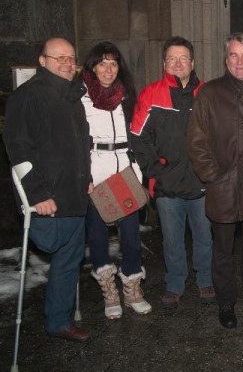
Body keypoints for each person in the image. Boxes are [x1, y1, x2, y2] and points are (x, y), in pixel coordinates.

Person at [187, 32, 243, 329]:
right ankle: (225, 301)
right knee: (223, 248)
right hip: (222, 186)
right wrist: (213, 176)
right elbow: (196, 140)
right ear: (226, 58)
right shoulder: (210, 93)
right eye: (233, 55)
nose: (239, 61)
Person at [3, 38, 91, 341]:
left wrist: (86, 177)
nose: (67, 63)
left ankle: (58, 321)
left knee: (70, 259)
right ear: (42, 61)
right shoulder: (27, 97)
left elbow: (80, 146)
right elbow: (18, 150)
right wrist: (37, 194)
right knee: (59, 252)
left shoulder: (72, 97)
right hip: (48, 198)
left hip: (74, 193)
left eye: (71, 58)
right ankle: (57, 319)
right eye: (59, 58)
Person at [130, 36, 213, 308]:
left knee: (204, 237)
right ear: (165, 63)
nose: (178, 64)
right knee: (172, 240)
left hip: (201, 183)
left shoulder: (208, 94)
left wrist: (212, 171)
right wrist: (157, 172)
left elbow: (220, 137)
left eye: (183, 59)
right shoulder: (151, 94)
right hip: (167, 185)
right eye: (172, 59)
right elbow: (138, 139)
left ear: (193, 62)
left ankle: (205, 280)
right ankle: (175, 283)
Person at [81, 41, 152, 319]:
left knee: (131, 235)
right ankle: (109, 291)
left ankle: (133, 287)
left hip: (125, 170)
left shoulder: (128, 96)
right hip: (95, 171)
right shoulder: (81, 97)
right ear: (92, 67)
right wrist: (83, 174)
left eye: (113, 63)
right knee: (98, 235)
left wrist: (140, 168)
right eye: (102, 63)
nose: (108, 69)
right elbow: (75, 139)